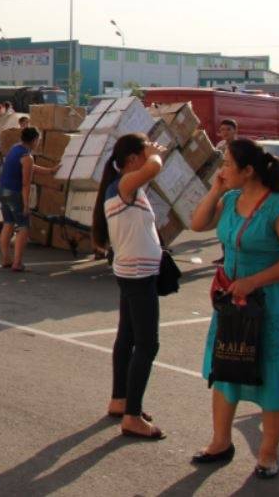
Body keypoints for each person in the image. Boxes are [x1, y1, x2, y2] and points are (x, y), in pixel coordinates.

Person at [189, 139, 279, 479]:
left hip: (274, 304)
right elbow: (198, 223)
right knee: (227, 367)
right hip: (234, 302)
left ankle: (268, 454)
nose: (222, 170)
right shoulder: (230, 199)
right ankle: (220, 442)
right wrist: (216, 189)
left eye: (227, 164)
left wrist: (255, 281)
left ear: (249, 171)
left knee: (274, 375)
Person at [91, 133, 168, 441]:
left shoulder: (126, 186)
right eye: (143, 151)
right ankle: (132, 416)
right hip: (137, 274)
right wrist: (154, 153)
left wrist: (147, 152)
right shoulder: (124, 185)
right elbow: (154, 167)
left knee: (127, 337)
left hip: (134, 271)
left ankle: (121, 400)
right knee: (147, 344)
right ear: (133, 160)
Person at [0, 127, 58, 272]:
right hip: (15, 193)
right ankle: (17, 263)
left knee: (8, 223)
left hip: (3, 191)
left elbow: (30, 167)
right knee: (23, 227)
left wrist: (49, 171)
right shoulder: (27, 157)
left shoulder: (15, 149)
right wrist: (26, 205)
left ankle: (6, 258)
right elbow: (26, 183)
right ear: (34, 140)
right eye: (38, 140)